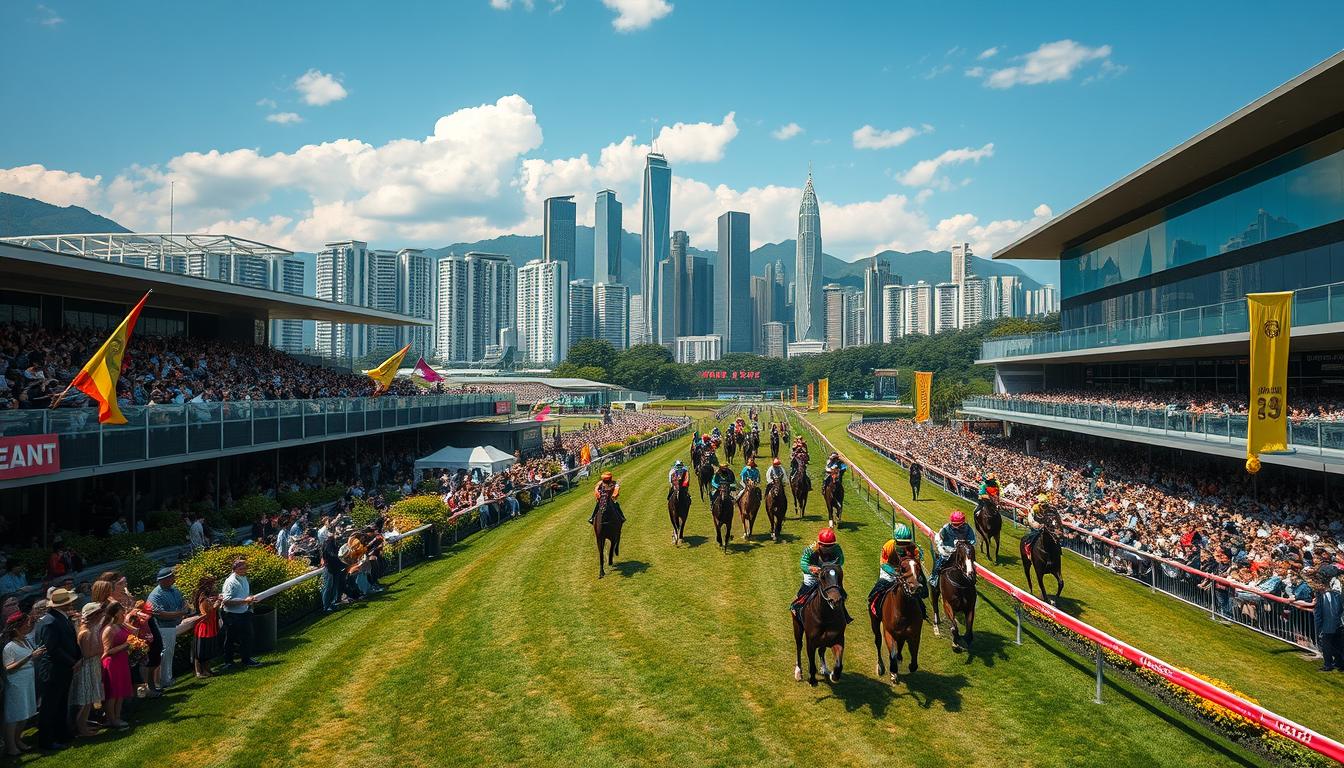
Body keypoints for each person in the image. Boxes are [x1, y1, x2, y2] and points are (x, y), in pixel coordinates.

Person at [35, 587, 79, 751]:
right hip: (54, 670)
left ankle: (62, 734)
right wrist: (72, 662)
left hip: (63, 668)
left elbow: (70, 641)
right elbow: (53, 649)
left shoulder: (60, 618)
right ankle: (46, 741)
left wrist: (77, 658)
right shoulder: (50, 622)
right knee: (50, 706)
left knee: (61, 703)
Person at [867, 524, 928, 620]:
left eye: (906, 543)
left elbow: (916, 563)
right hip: (890, 569)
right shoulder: (888, 546)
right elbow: (884, 564)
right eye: (900, 543)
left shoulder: (914, 548)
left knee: (921, 582)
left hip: (907, 570)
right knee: (882, 584)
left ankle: (923, 608)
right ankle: (873, 602)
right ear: (895, 540)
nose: (903, 546)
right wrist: (895, 573)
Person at [3, 613, 40, 756]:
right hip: (16, 683)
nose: (28, 626)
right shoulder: (9, 647)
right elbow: (9, 668)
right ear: (17, 628)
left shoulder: (25, 641)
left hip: (28, 680)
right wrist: (30, 657)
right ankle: (11, 746)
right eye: (25, 624)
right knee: (14, 715)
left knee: (25, 713)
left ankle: (18, 740)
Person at [791, 528, 847, 619]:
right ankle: (797, 604)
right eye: (825, 546)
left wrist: (830, 568)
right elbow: (803, 563)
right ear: (819, 544)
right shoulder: (810, 549)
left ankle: (843, 611)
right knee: (808, 584)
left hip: (828, 571)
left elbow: (841, 561)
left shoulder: (837, 548)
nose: (828, 548)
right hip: (813, 573)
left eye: (830, 546)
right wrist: (810, 569)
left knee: (837, 589)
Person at [147, 566, 188, 689]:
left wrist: (184, 608)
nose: (174, 579)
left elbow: (183, 601)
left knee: (169, 652)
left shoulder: (174, 590)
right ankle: (164, 680)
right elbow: (160, 614)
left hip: (172, 626)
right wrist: (180, 613)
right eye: (172, 577)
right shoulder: (155, 595)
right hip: (163, 628)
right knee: (165, 653)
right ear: (164, 580)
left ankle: (167, 678)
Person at [70, 601, 106, 738]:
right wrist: (102, 649)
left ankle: (84, 725)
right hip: (87, 667)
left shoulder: (91, 629)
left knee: (90, 700)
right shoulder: (85, 632)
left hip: (93, 665)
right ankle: (81, 727)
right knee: (86, 700)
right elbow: (86, 654)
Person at [220, 559, 260, 669]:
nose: (243, 570)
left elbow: (245, 594)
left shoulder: (244, 578)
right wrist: (245, 601)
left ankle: (246, 659)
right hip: (231, 614)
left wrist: (250, 599)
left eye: (245, 568)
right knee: (231, 639)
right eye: (241, 568)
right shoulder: (230, 581)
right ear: (234, 569)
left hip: (244, 612)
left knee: (247, 636)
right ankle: (228, 662)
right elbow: (226, 601)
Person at [98, 601, 131, 730]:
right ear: (116, 612)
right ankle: (111, 719)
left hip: (122, 660)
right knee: (112, 694)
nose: (124, 612)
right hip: (112, 663)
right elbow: (106, 652)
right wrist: (125, 645)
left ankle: (117, 717)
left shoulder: (120, 626)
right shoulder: (109, 629)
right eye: (122, 610)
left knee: (121, 692)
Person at [931, 511, 977, 590]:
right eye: (954, 524)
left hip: (962, 552)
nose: (956, 526)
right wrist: (942, 545)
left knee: (969, 563)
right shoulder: (946, 528)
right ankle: (934, 578)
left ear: (963, 523)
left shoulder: (967, 528)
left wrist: (964, 544)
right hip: (948, 551)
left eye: (958, 524)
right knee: (939, 564)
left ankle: (972, 578)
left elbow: (972, 541)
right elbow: (938, 538)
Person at [191, 574, 221, 678]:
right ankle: (199, 672)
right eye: (212, 583)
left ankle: (207, 670)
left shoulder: (207, 597)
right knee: (201, 651)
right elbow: (206, 613)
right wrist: (216, 605)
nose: (214, 586)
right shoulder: (203, 598)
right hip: (204, 627)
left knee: (208, 650)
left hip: (210, 626)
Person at [1311, 575, 1342, 672]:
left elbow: (1320, 613)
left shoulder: (1327, 595)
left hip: (1330, 625)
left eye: (1316, 584)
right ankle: (1338, 663)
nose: (1315, 586)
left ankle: (1328, 665)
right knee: (1337, 645)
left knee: (1328, 645)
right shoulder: (1335, 594)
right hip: (1335, 624)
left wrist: (1319, 626)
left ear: (1322, 584)